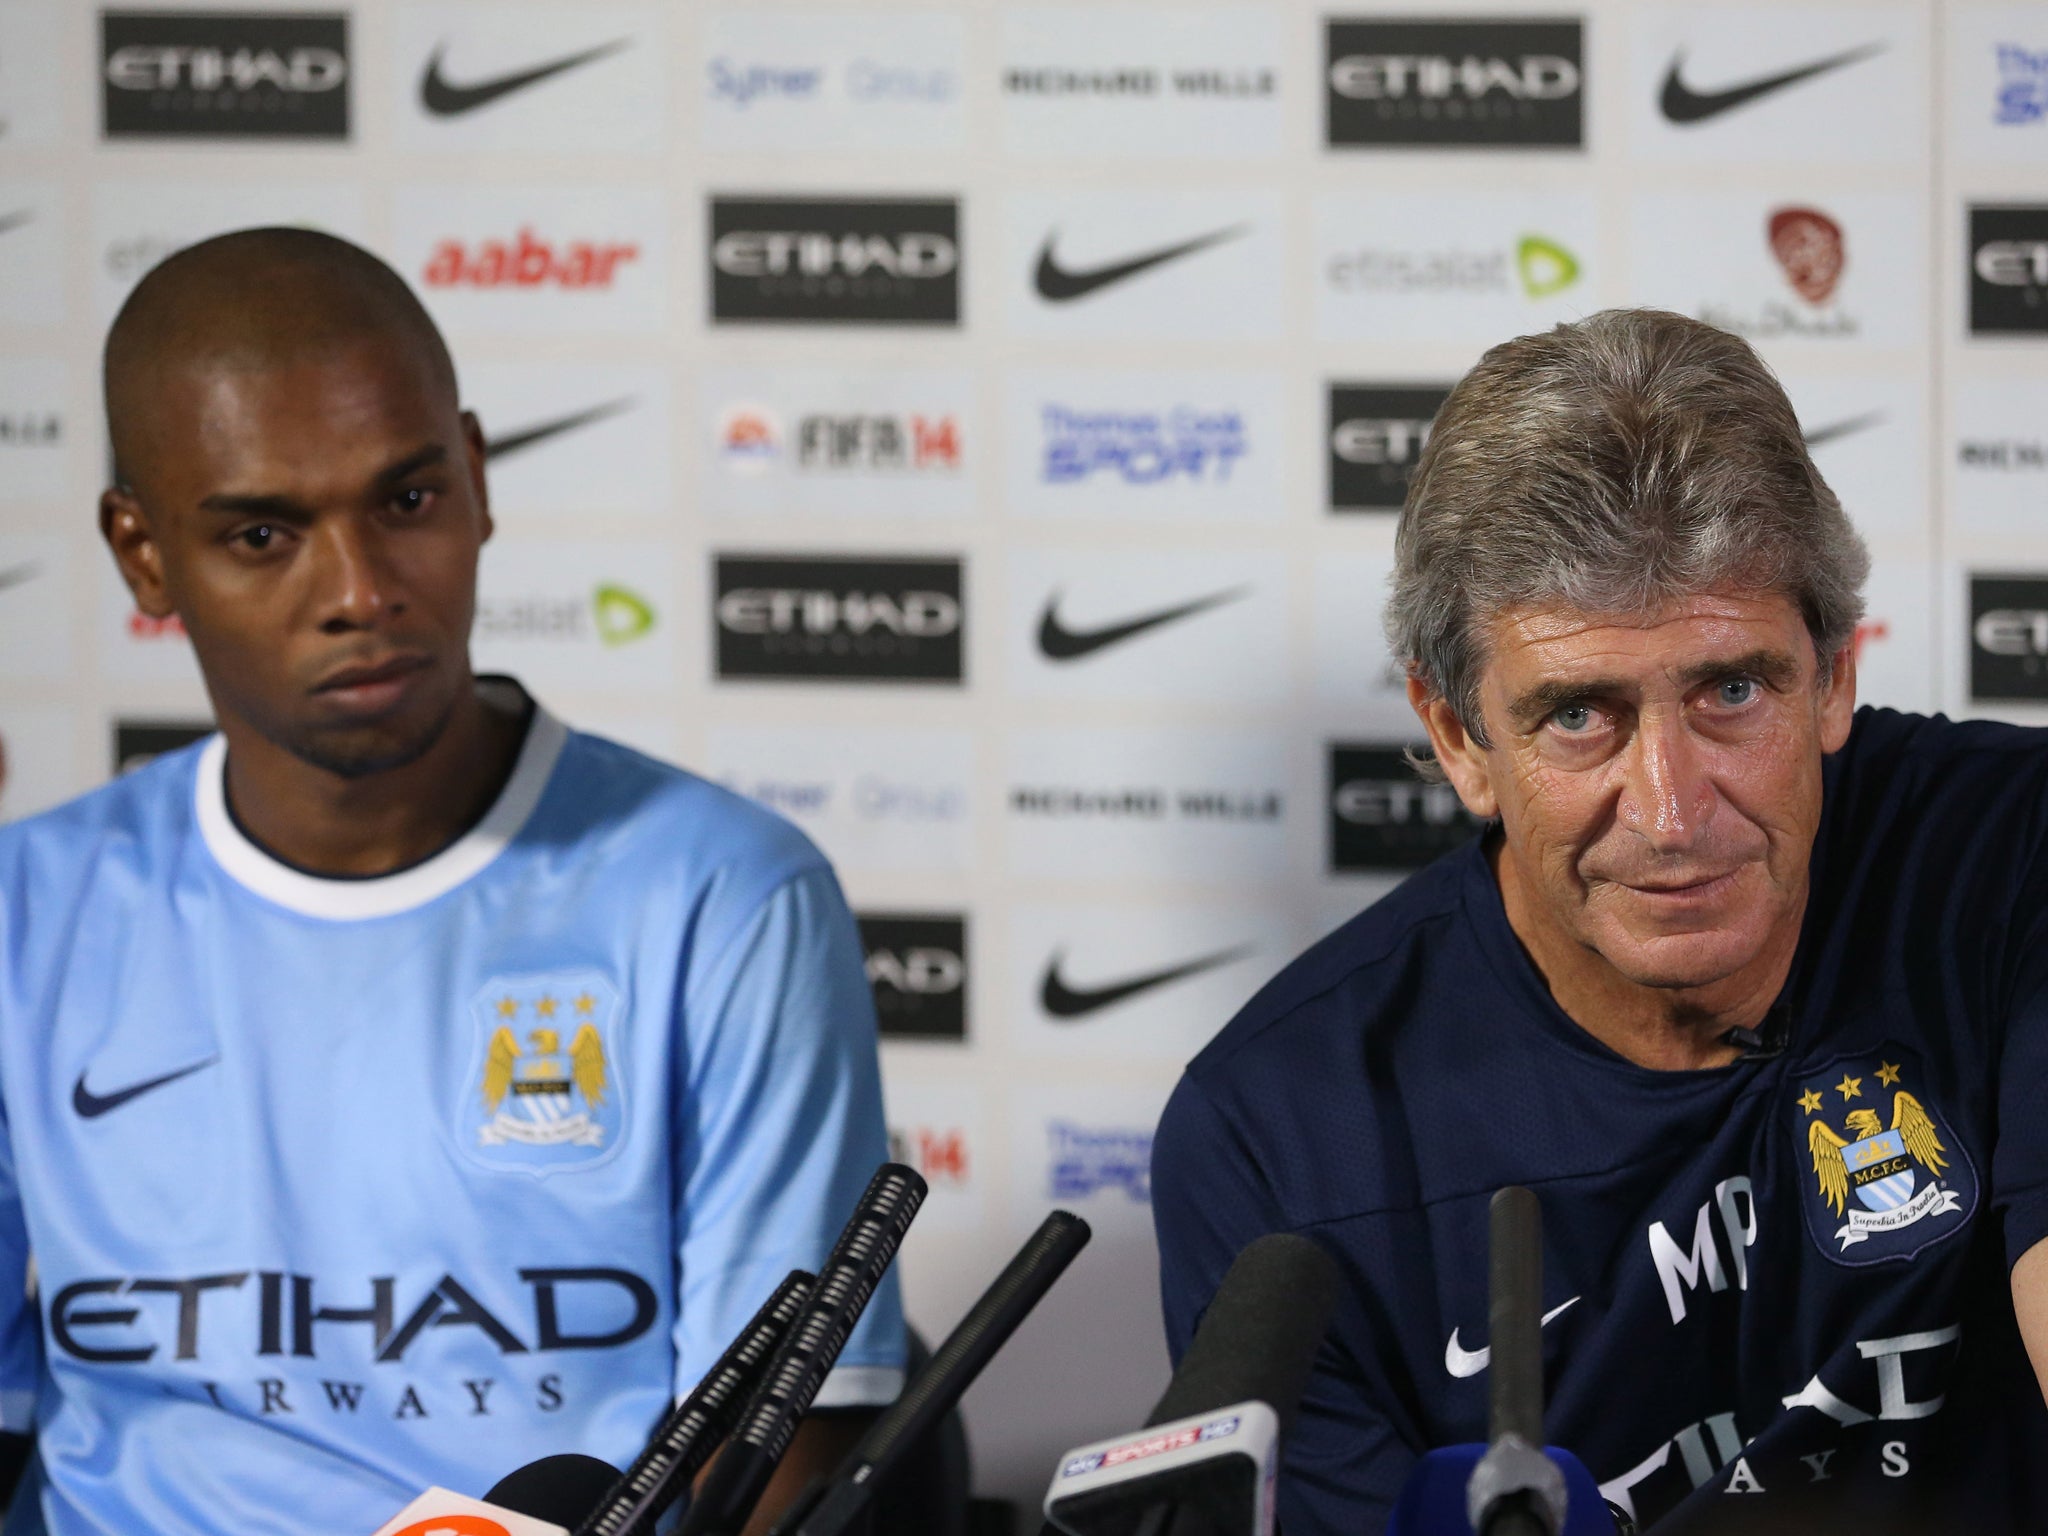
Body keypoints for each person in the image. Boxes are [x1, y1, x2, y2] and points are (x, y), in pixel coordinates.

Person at [0, 227, 903, 1535]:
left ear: (478, 481)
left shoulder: (725, 901)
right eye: (264, 533)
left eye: (408, 501)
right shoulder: (28, 914)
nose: (363, 591)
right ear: (143, 554)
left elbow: (773, 1470)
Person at [1151, 309, 2048, 1535]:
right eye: (1579, 716)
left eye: (1731, 691)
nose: (1673, 812)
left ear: (1834, 675)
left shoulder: (2015, 859)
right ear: (1459, 737)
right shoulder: (1281, 1135)